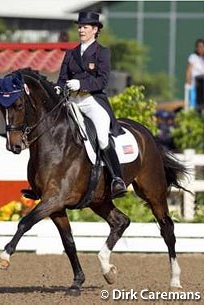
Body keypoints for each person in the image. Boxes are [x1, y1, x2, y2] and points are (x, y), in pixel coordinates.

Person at [55, 11, 126, 197]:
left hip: (91, 100)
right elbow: (62, 78)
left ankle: (117, 179)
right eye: (79, 27)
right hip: (71, 101)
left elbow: (102, 81)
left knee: (102, 137)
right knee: (53, 130)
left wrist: (81, 84)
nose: (81, 30)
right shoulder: (70, 53)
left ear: (95, 30)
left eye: (85, 27)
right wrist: (58, 89)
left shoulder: (102, 52)